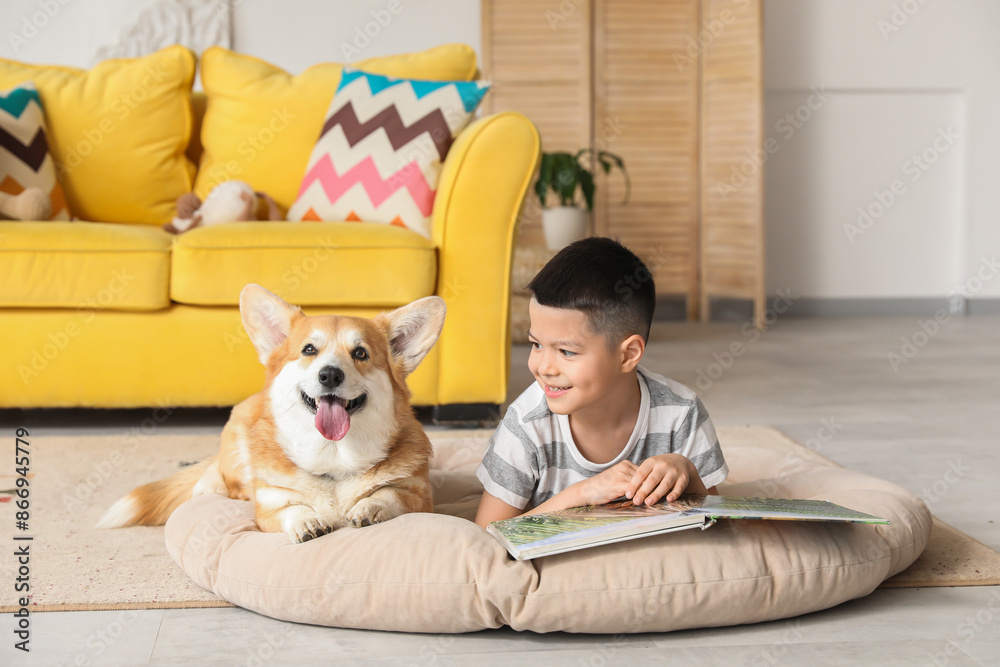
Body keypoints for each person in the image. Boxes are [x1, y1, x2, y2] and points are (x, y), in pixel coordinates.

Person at [474, 237, 728, 529]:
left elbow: (718, 519)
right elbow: (488, 531)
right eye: (536, 344)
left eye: (566, 351)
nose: (543, 367)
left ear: (628, 354)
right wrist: (581, 493)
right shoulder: (526, 425)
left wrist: (689, 475)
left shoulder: (682, 414)